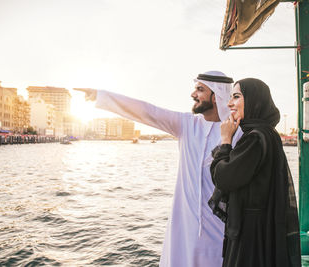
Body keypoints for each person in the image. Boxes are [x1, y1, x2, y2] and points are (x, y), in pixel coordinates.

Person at [74, 71, 243, 267]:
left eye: (199, 89)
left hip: (219, 232)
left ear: (216, 96)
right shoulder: (186, 125)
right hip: (184, 232)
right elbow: (148, 112)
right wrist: (101, 96)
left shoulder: (237, 133)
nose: (193, 94)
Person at [208, 78, 301, 267]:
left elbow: (223, 178)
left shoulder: (255, 139)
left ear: (254, 100)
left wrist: (225, 140)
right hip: (263, 231)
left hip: (251, 240)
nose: (229, 103)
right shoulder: (267, 134)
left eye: (236, 96)